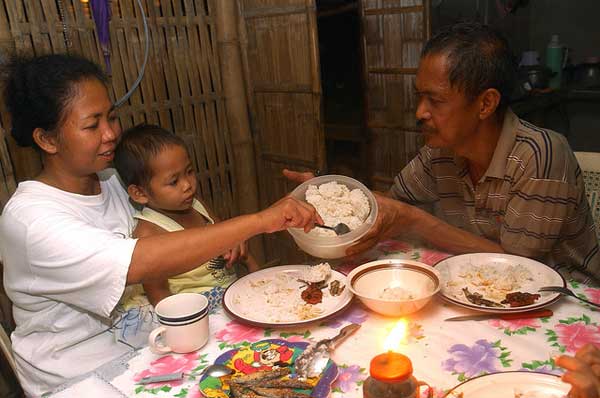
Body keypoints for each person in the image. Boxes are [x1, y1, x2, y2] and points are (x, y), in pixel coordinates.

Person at [0, 54, 320, 396]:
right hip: (81, 377)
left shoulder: (113, 182)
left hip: (152, 344)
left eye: (111, 117)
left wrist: (278, 212)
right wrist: (259, 221)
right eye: (92, 125)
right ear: (47, 140)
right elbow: (140, 260)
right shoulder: (31, 220)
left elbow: (189, 232)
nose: (111, 134)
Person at [285, 22, 600, 284]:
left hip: (567, 298)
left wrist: (416, 221)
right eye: (420, 97)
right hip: (479, 285)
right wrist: (329, 197)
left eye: (435, 100)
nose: (421, 112)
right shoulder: (441, 153)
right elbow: (393, 203)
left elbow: (519, 268)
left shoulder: (540, 156)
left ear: (486, 104)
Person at [113, 124, 258, 309]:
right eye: (174, 182)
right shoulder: (149, 233)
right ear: (140, 193)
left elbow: (232, 243)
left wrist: (254, 272)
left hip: (232, 298)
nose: (187, 185)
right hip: (192, 314)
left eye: (189, 172)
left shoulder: (198, 205)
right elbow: (160, 299)